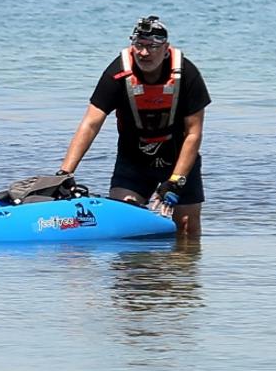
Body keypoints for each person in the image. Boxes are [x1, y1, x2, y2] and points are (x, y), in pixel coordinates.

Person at [54, 16, 211, 237]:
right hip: (134, 158)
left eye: (152, 47)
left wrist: (176, 180)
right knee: (124, 219)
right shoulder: (117, 73)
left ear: (165, 48)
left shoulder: (187, 75)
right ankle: (136, 270)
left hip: (178, 157)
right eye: (139, 45)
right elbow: (90, 123)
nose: (144, 53)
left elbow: (194, 133)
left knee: (186, 226)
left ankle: (180, 269)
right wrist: (65, 173)